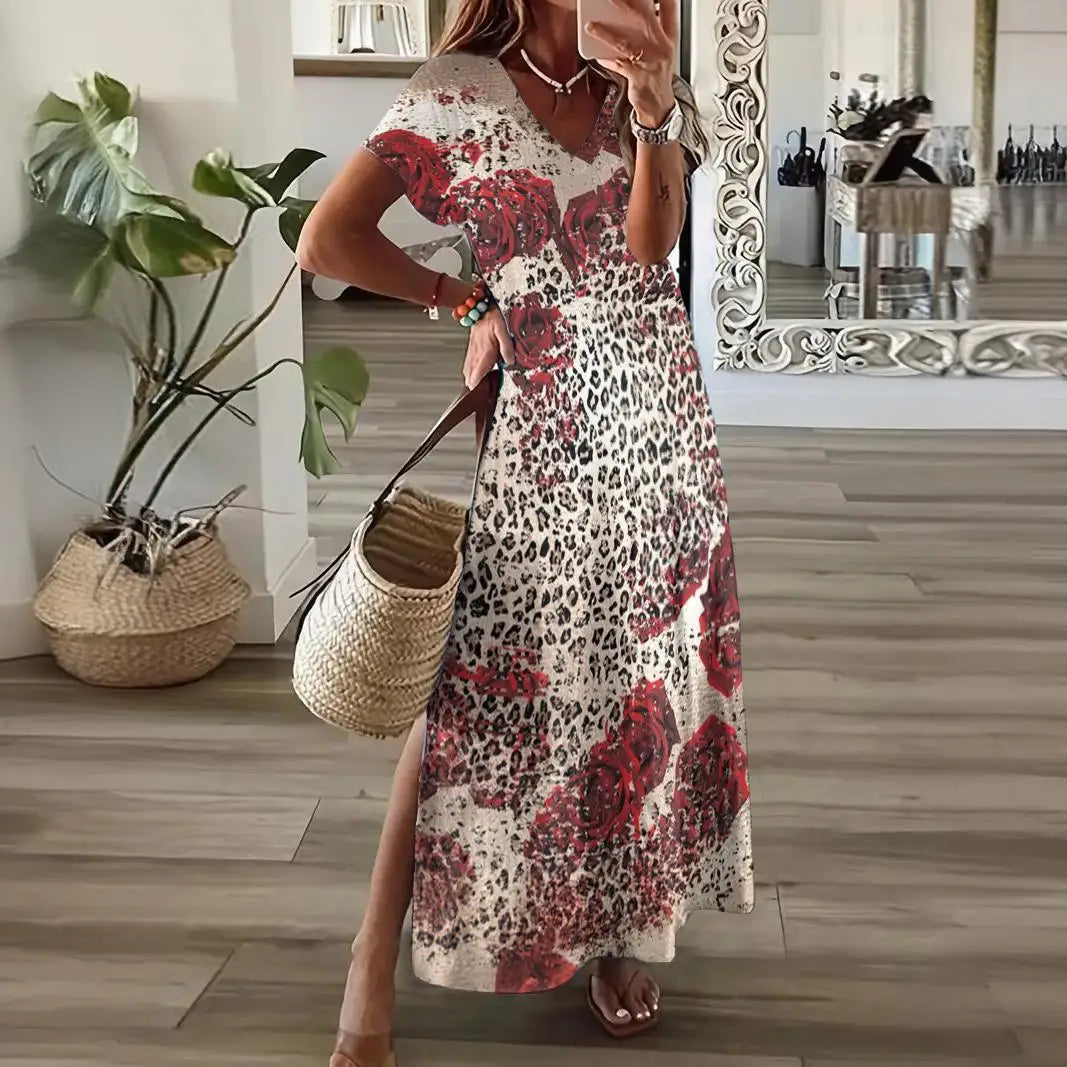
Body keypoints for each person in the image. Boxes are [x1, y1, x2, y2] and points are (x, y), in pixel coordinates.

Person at [297, 1, 753, 1063]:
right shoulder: (454, 90)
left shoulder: (647, 82)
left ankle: (622, 935)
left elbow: (649, 248)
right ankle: (371, 956)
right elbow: (329, 239)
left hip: (659, 427)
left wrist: (652, 109)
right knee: (473, 685)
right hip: (542, 429)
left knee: (639, 680)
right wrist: (464, 301)